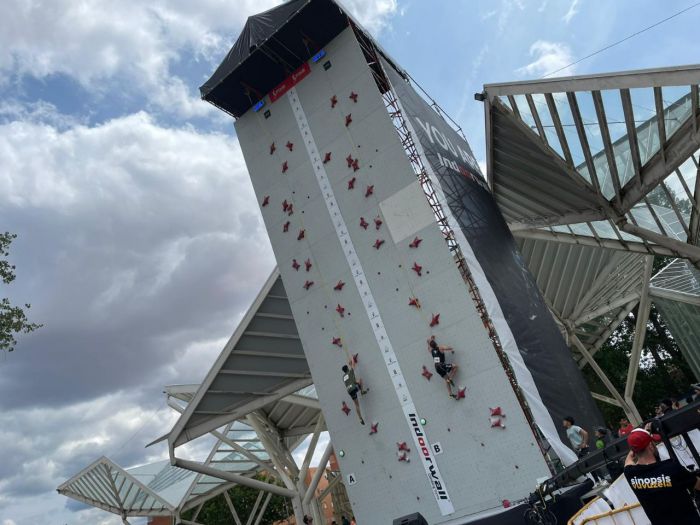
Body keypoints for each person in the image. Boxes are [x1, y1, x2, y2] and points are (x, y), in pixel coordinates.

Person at [623, 428, 700, 524]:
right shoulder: (671, 468)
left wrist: (637, 443)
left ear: (633, 451)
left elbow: (628, 461)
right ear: (650, 446)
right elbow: (698, 485)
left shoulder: (630, 473)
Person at [342, 360, 368, 425]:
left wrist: (356, 382)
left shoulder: (343, 377)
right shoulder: (350, 372)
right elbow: (353, 365)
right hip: (353, 388)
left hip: (349, 391)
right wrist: (352, 359)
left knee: (356, 405)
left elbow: (351, 381)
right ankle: (362, 392)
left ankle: (360, 418)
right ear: (347, 368)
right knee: (360, 380)